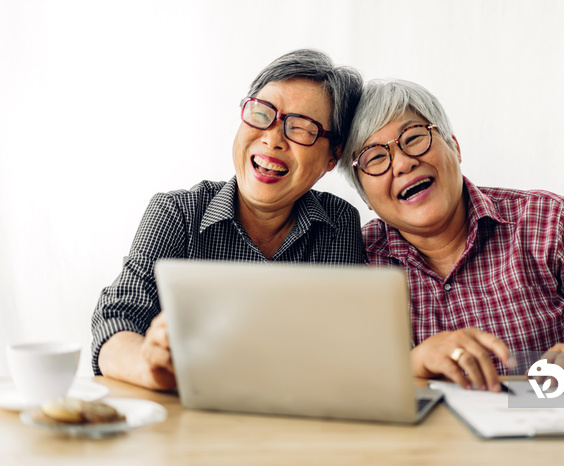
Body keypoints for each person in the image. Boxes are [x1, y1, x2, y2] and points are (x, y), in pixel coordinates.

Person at [339, 78, 564, 393]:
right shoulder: (355, 258)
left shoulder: (549, 221)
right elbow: (342, 381)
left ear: (454, 147)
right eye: (374, 159)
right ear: (366, 197)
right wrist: (412, 363)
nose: (401, 164)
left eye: (413, 138)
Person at [92, 49, 364, 391]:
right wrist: (152, 366)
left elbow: (344, 351)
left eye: (300, 128)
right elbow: (116, 321)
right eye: (262, 114)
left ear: (332, 156)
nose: (271, 138)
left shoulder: (338, 225)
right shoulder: (177, 213)